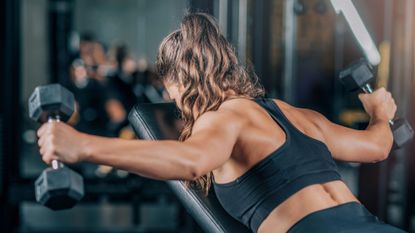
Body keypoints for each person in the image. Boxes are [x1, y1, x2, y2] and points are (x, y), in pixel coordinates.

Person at [36, 13, 406, 233]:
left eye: (174, 95)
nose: (178, 107)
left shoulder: (221, 119)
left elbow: (190, 161)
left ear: (182, 82)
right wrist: (379, 113)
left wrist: (80, 144)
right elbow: (377, 146)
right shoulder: (294, 114)